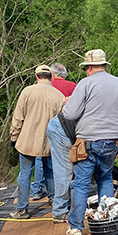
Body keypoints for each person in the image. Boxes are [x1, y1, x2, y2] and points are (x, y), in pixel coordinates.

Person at [60, 49, 118, 235]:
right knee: (105, 179)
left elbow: (69, 114)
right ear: (104, 65)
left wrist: (66, 104)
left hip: (87, 142)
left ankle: (76, 227)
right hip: (111, 142)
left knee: (81, 185)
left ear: (89, 68)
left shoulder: (85, 84)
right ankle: (107, 220)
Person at [9, 65, 65, 219]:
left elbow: (18, 117)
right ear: (51, 77)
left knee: (25, 175)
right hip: (49, 142)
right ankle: (55, 204)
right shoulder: (58, 95)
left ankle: (22, 210)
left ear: (36, 76)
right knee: (51, 172)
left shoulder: (27, 92)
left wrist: (14, 137)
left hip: (27, 141)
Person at [32, 63, 77, 201]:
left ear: (52, 74)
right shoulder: (72, 86)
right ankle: (62, 193)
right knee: (63, 162)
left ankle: (37, 189)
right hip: (64, 128)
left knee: (41, 157)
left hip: (42, 126)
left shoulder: (43, 87)